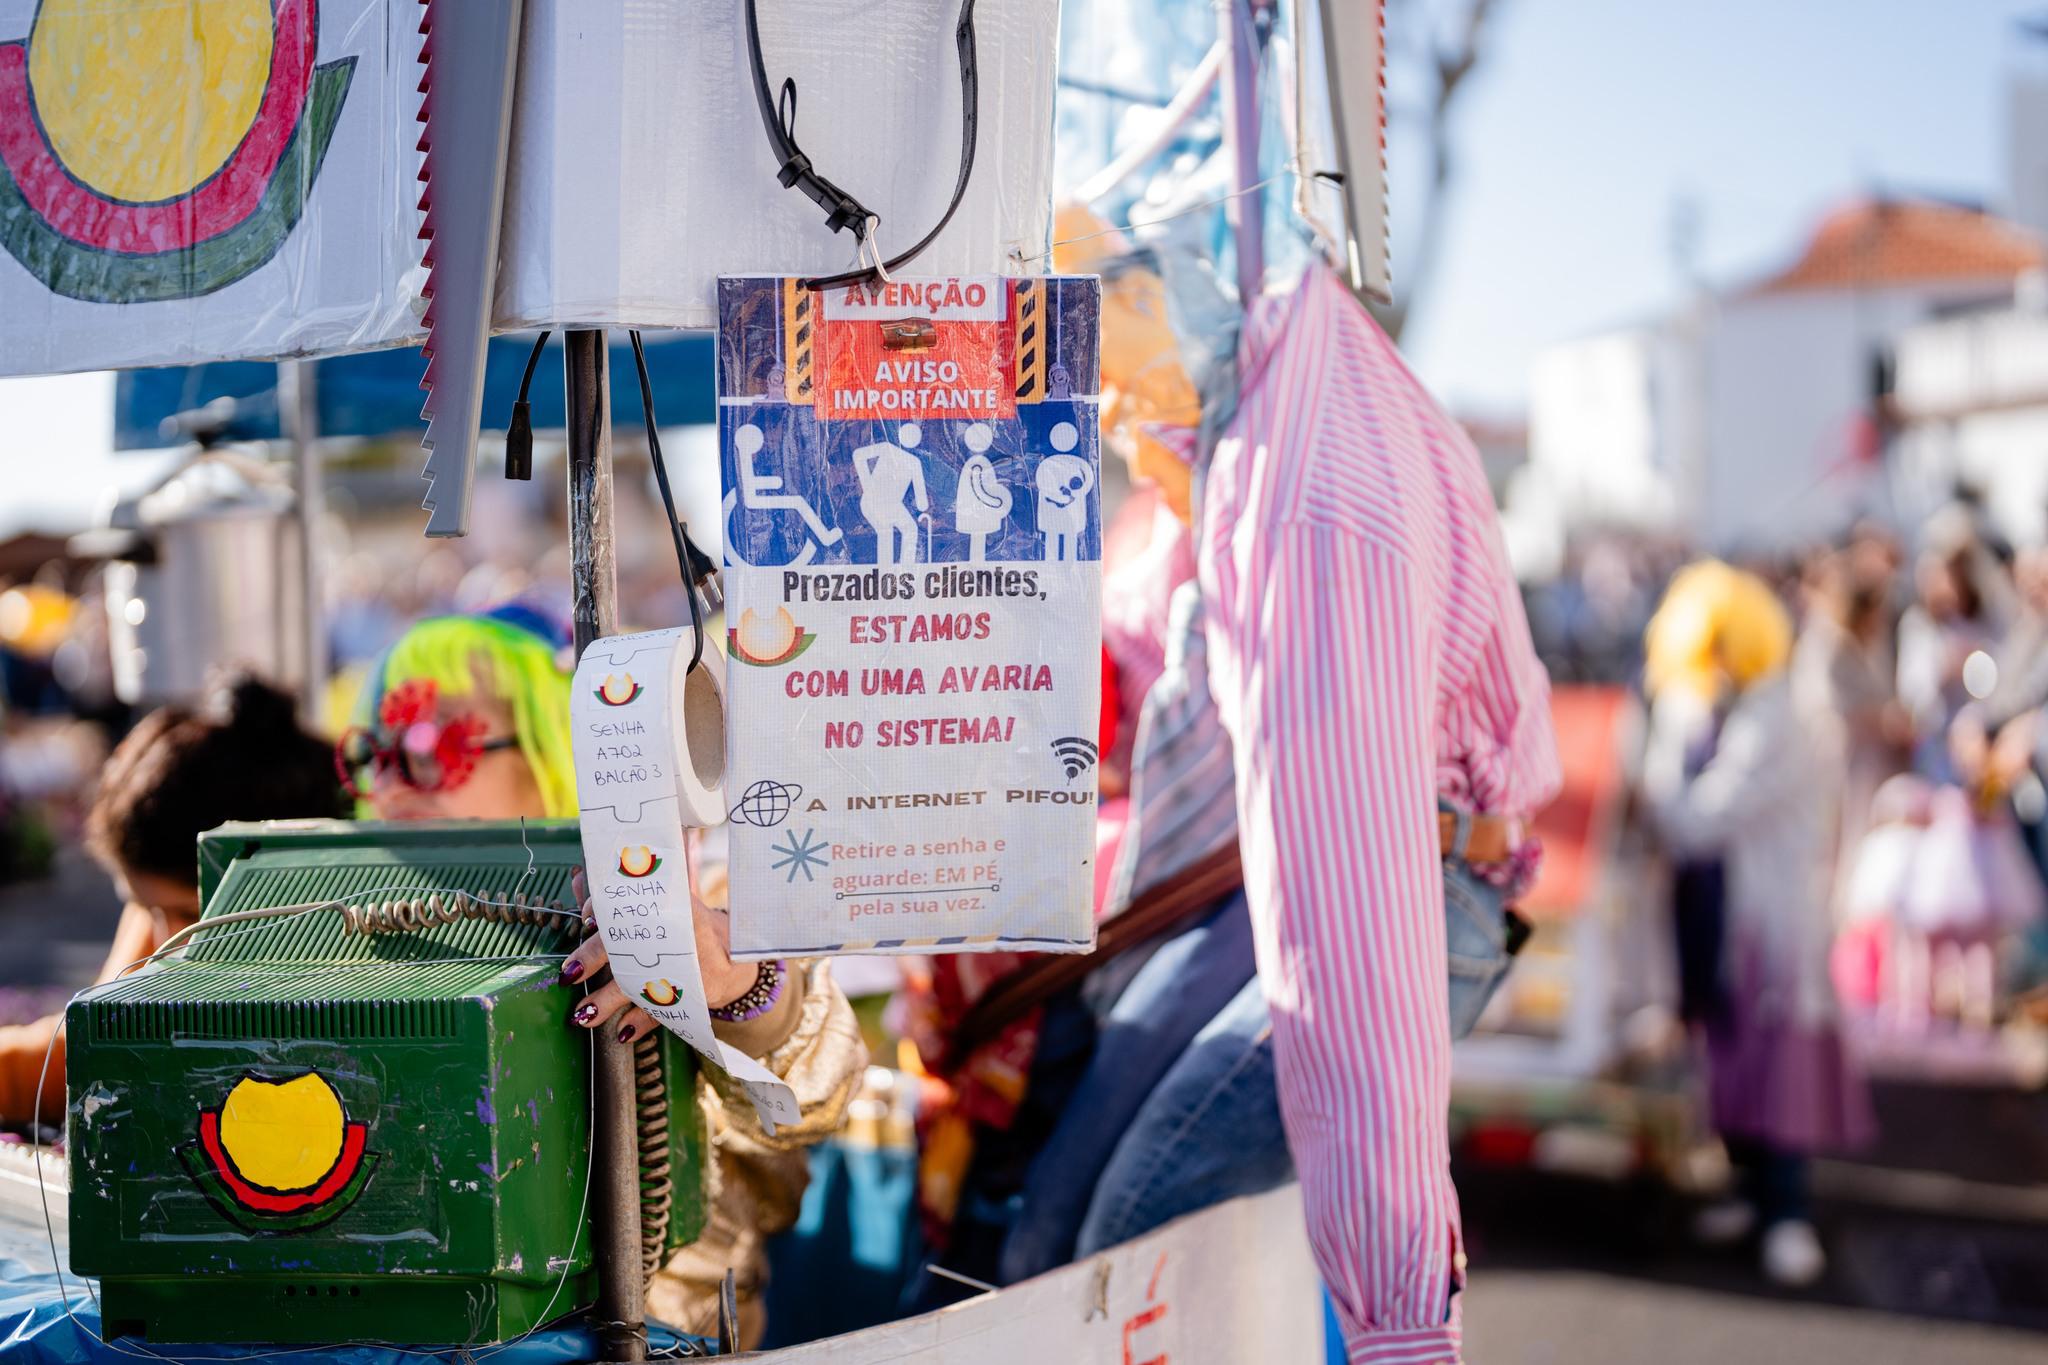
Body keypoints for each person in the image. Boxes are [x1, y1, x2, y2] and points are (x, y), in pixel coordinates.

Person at [345, 612, 865, 1348]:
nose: (393, 783)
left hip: (672, 1339)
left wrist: (735, 982)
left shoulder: (696, 895)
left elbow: (825, 1087)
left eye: (433, 749)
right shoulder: (360, 923)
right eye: (373, 754)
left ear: (548, 742)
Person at [1642, 563, 1872, 1288]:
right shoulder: (1745, 706)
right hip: (1740, 920)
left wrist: (1659, 758)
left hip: (1773, 921)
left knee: (1781, 1071)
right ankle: (1752, 1197)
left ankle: (1787, 1213)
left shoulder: (1779, 715)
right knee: (1738, 1059)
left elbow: (1697, 818)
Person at [0, 675, 346, 1128]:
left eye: (188, 915)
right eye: (145, 909)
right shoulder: (161, 919)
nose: (162, 946)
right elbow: (77, 1054)